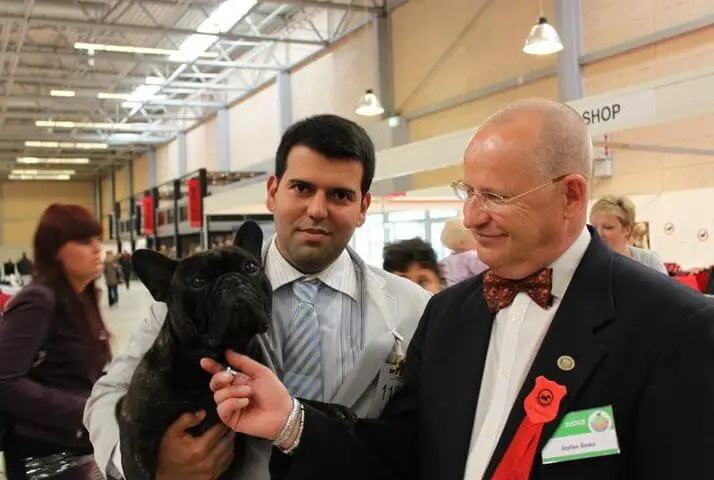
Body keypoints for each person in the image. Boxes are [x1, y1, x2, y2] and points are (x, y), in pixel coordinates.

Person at [205, 99, 714, 480]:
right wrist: (292, 421)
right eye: (468, 192)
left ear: (571, 195)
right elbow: (400, 452)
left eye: (495, 196)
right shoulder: (449, 315)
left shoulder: (674, 329)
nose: (471, 217)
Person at [83, 114, 431, 480]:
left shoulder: (414, 308)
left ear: (363, 207)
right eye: (302, 188)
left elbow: (420, 430)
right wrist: (155, 468)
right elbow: (109, 394)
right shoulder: (189, 297)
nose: (317, 209)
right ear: (272, 192)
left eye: (340, 195)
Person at [0, 204, 111, 479]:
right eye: (85, 241)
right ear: (56, 250)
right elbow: (4, 380)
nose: (98, 249)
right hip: (43, 456)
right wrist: (83, 410)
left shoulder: (83, 300)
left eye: (98, 239)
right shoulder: (39, 299)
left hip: (82, 447)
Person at [589, 195, 667, 274]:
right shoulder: (589, 263)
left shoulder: (649, 261)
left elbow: (666, 286)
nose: (599, 233)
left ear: (627, 230)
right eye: (594, 227)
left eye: (608, 227)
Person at [439, 217, 489, 286]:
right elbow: (488, 272)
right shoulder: (472, 256)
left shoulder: (445, 261)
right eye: (474, 237)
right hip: (470, 290)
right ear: (461, 242)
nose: (478, 241)